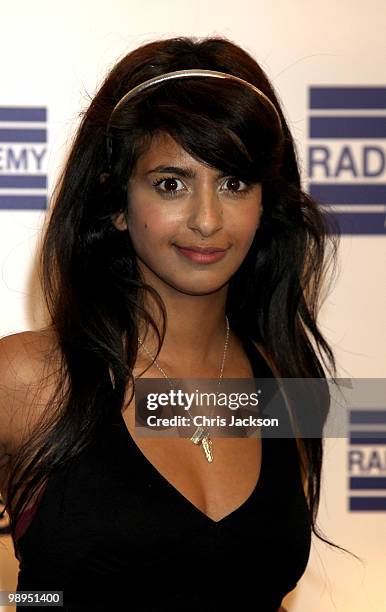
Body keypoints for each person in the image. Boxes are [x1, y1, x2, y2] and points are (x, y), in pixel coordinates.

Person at [0, 35, 342, 611]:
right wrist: (35, 601)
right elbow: (39, 594)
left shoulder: (288, 384)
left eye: (234, 183)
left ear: (266, 203)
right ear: (115, 202)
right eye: (170, 183)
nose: (208, 219)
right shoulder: (29, 381)